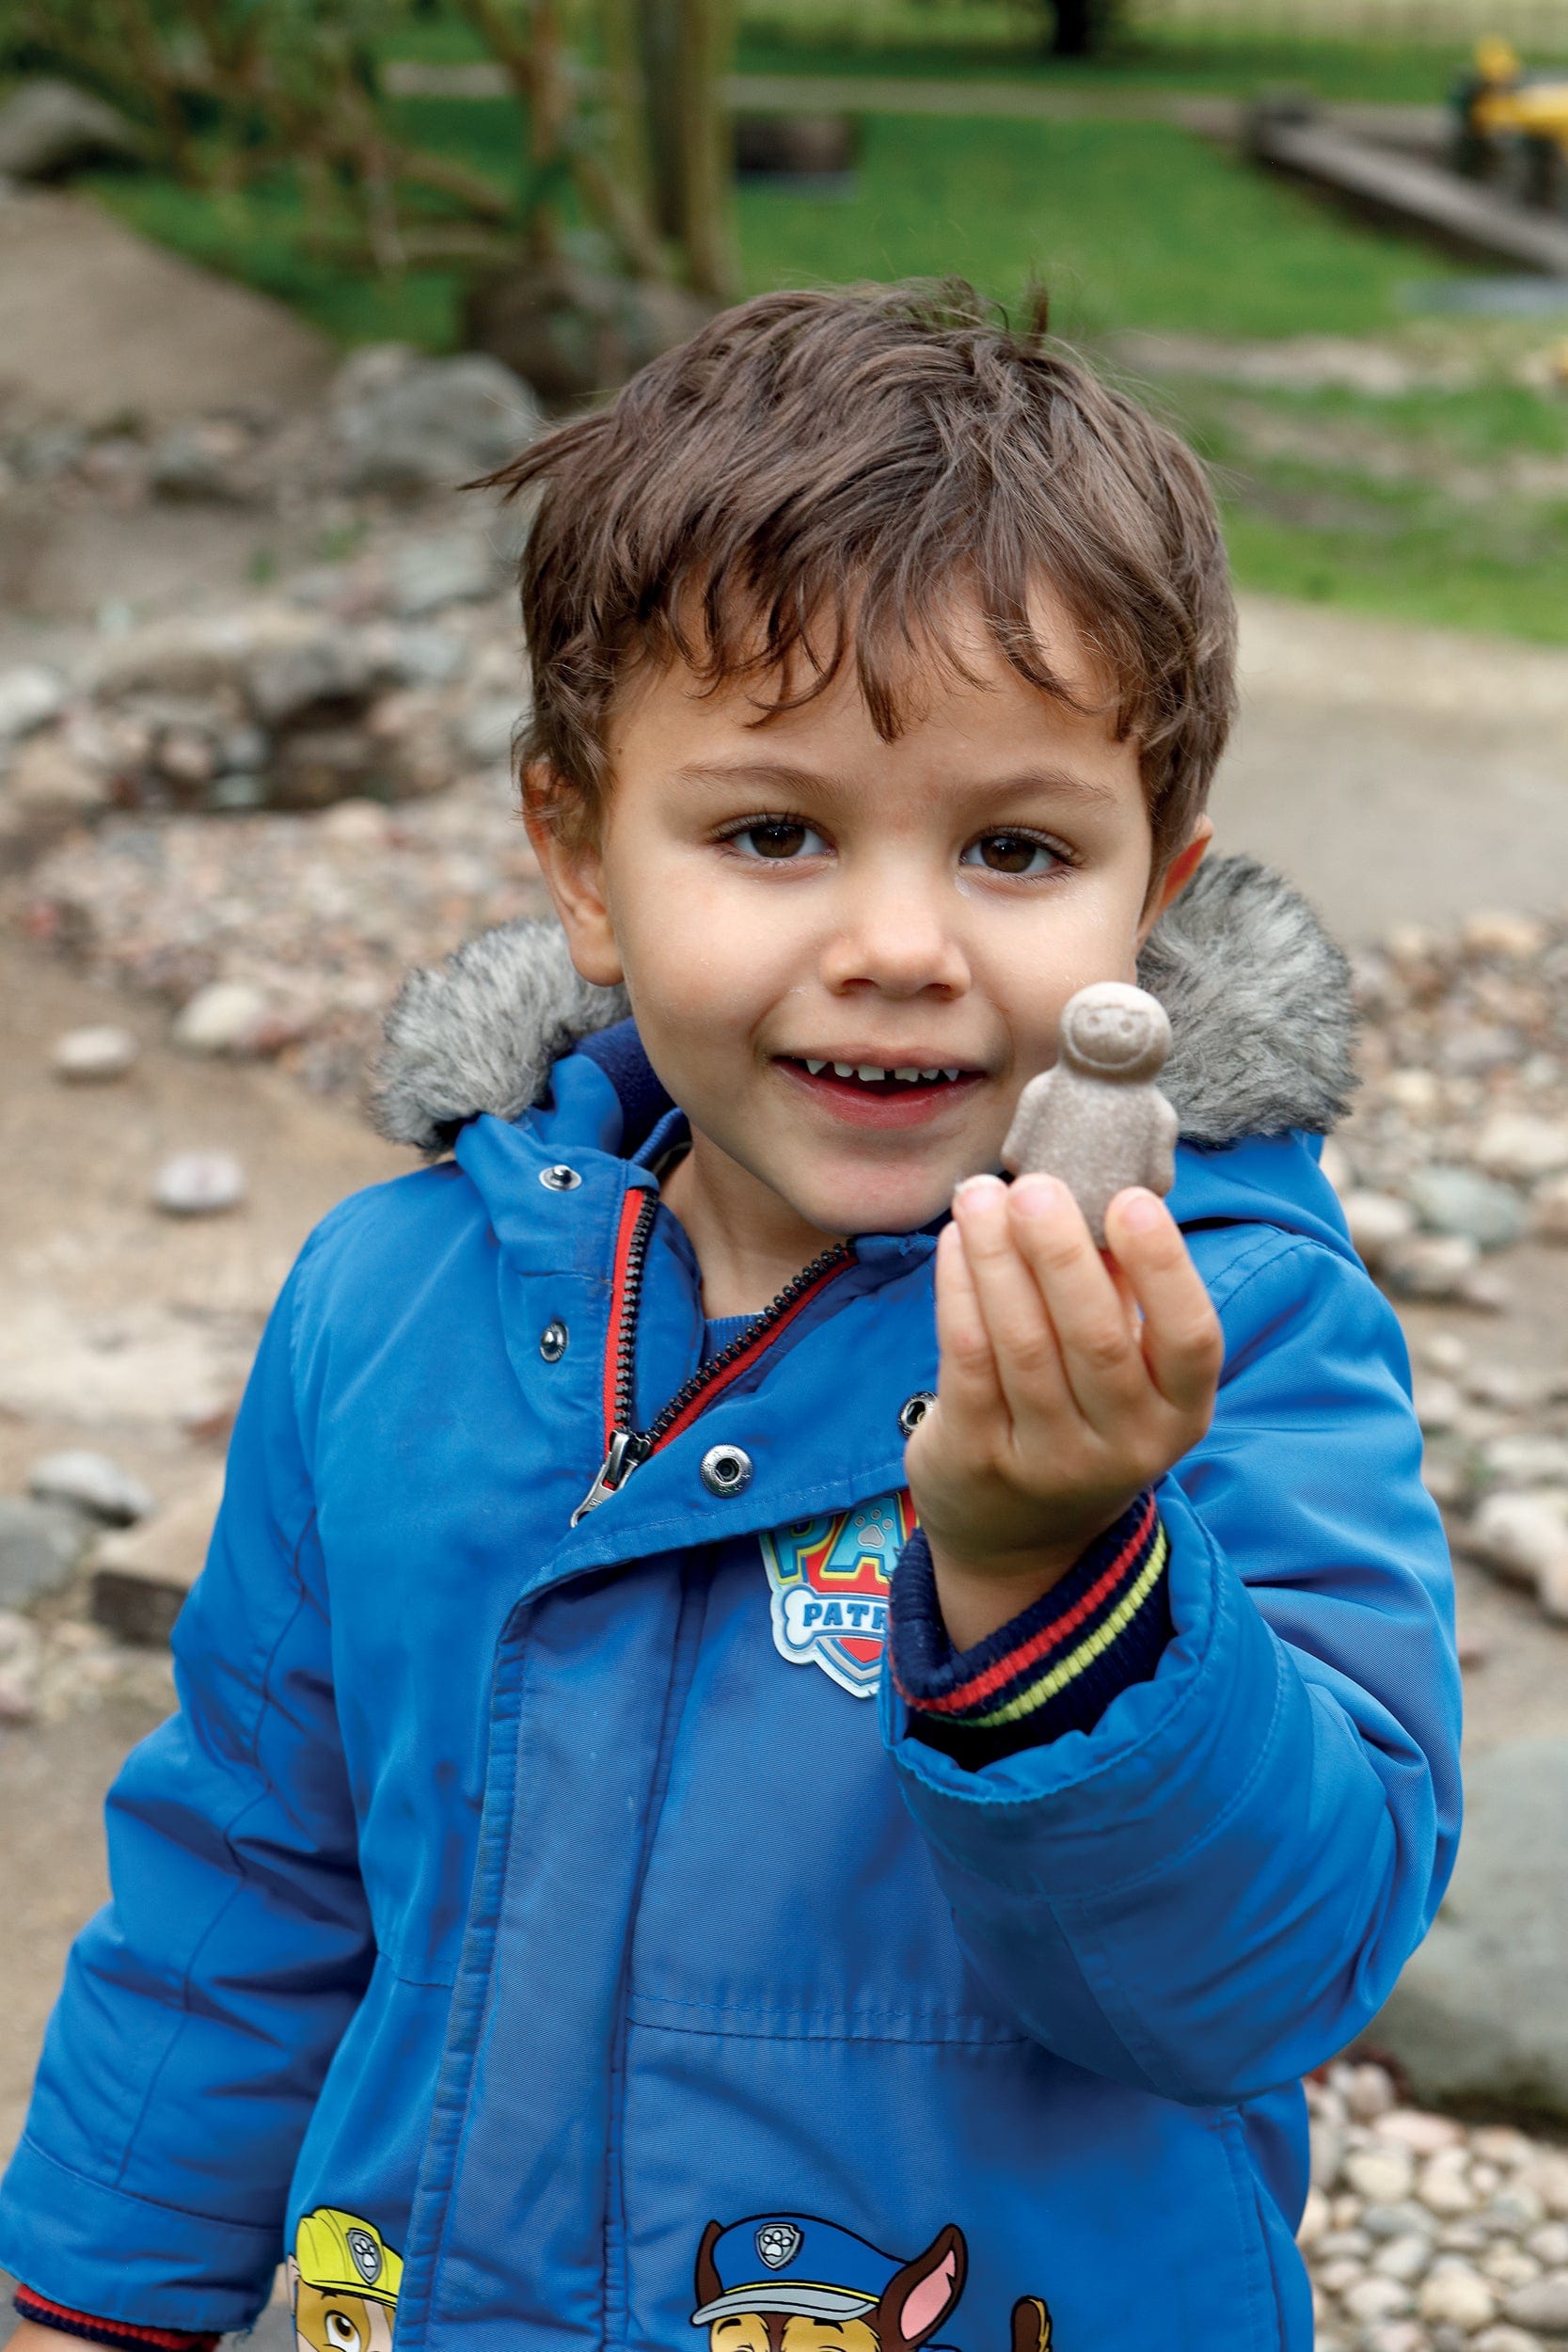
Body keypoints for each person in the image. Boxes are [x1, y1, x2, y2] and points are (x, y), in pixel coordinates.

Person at [0, 283, 1458, 2352]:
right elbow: (249, 1870)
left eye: (1016, 847)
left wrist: (1064, 1570)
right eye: (772, 831)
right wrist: (96, 2296)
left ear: (1155, 888)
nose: (895, 946)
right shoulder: (390, 1302)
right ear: (580, 854)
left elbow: (1270, 1970)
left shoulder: (1228, 1337)